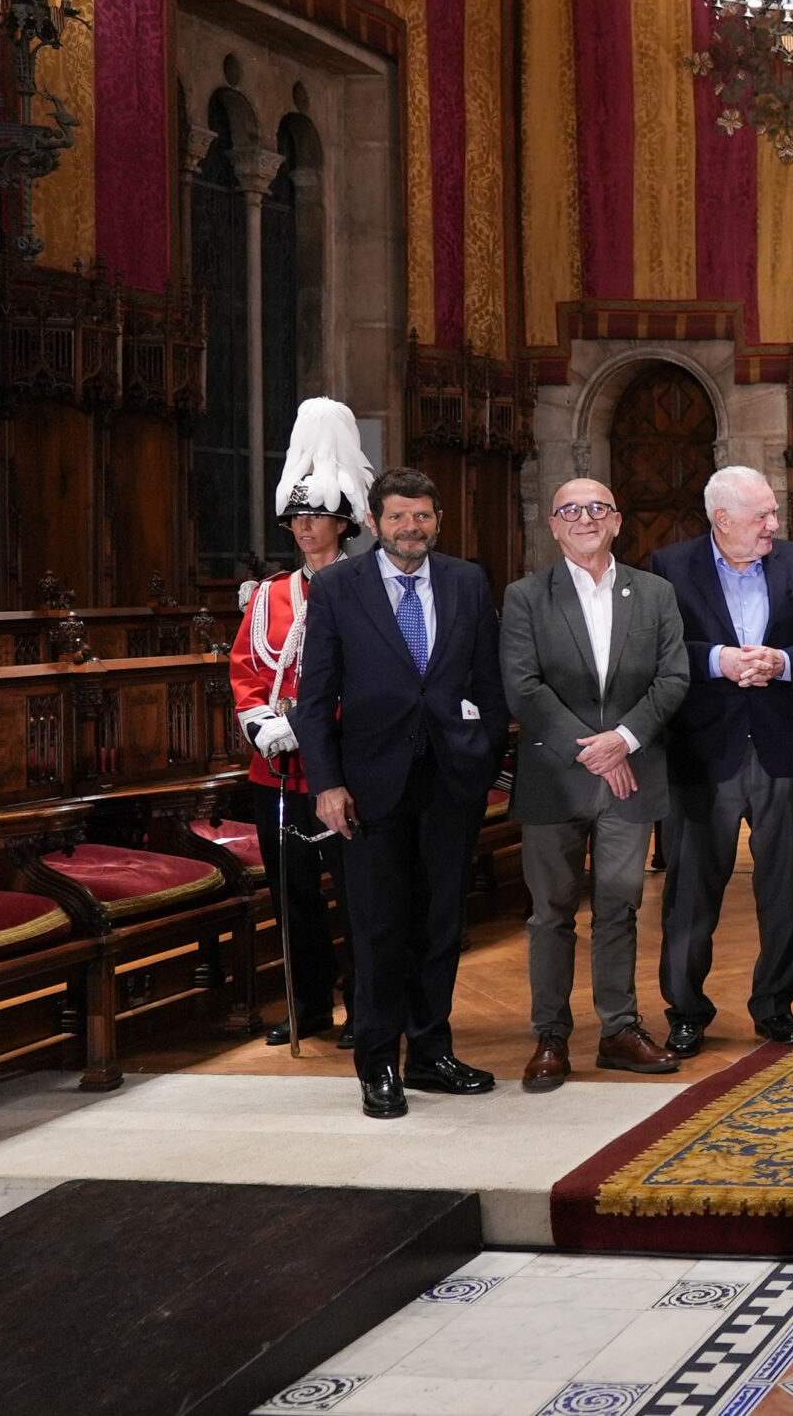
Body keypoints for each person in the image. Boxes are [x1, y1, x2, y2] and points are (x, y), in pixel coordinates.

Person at [293, 466, 505, 1120]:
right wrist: (327, 784)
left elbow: (489, 682)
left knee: (441, 925)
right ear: (375, 523)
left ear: (437, 520)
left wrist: (484, 756)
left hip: (451, 781)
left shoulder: (467, 581)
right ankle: (379, 1062)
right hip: (367, 786)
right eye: (398, 517)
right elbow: (315, 697)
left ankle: (432, 1052)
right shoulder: (338, 587)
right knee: (379, 928)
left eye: (422, 516)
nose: (411, 528)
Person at [502, 482, 690, 1090]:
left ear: (616, 522)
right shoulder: (525, 597)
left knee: (619, 907)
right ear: (554, 526)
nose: (585, 518)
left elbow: (673, 677)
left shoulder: (655, 593)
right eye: (571, 510)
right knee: (551, 913)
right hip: (554, 778)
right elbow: (523, 687)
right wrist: (596, 751)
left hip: (631, 776)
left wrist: (624, 741)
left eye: (597, 508)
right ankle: (550, 1036)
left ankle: (619, 1031)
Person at [648, 466, 793, 1056]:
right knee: (691, 893)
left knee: (783, 889)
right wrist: (716, 660)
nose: (774, 524)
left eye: (774, 513)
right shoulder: (670, 565)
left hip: (782, 749)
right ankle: (686, 1011)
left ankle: (775, 1006)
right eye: (762, 515)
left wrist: (783, 663)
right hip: (703, 751)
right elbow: (656, 649)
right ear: (722, 518)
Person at [233, 398, 373, 1048]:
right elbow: (246, 667)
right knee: (293, 894)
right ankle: (308, 1003)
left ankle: (363, 1008)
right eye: (296, 517)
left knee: (355, 892)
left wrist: (317, 727)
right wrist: (264, 723)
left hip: (343, 766)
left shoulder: (367, 587)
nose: (304, 527)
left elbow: (373, 678)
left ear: (343, 523)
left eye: (315, 516)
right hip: (276, 769)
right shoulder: (269, 594)